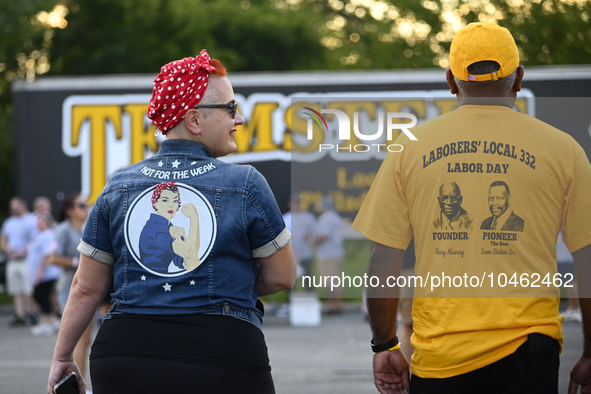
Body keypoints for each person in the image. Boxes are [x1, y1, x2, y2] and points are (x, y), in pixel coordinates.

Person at [353, 22, 591, 394]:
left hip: (441, 355)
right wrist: (590, 353)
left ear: (451, 80)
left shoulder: (411, 148)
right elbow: (588, 257)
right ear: (518, 79)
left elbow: (385, 255)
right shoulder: (563, 149)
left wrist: (385, 345)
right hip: (531, 350)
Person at [47, 50, 295, 394]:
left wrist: (61, 358)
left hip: (122, 355)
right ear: (194, 120)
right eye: (231, 109)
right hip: (223, 353)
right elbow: (283, 276)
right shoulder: (247, 183)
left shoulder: (117, 185)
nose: (239, 120)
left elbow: (86, 287)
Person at [47, 193, 93, 380]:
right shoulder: (63, 229)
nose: (86, 208)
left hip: (85, 288)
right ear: (69, 210)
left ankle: (77, 384)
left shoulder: (85, 228)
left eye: (87, 204)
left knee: (85, 340)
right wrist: (79, 262)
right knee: (77, 342)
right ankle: (74, 386)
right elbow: (52, 257)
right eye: (82, 205)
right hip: (70, 289)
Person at [1, 196, 38, 327]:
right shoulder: (9, 222)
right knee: (16, 289)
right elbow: (3, 239)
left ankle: (31, 313)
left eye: (14, 205)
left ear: (21, 205)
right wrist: (8, 249)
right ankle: (20, 314)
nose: (12, 208)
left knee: (27, 288)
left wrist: (24, 251)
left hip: (26, 260)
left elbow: (35, 240)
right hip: (12, 260)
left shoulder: (31, 220)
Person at [28, 212, 60, 336]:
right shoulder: (38, 235)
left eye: (42, 220)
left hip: (47, 273)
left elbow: (46, 255)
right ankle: (51, 319)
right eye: (38, 220)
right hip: (39, 273)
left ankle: (47, 320)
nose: (39, 222)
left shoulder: (48, 235)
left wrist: (39, 272)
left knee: (42, 296)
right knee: (40, 295)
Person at [314, 195, 344, 314]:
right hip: (336, 252)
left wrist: (313, 241)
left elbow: (323, 235)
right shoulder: (336, 217)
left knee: (329, 281)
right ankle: (336, 304)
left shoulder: (326, 218)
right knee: (335, 280)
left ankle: (333, 306)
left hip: (328, 254)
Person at [557, 230, 582, 323]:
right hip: (562, 256)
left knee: (571, 282)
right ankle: (572, 308)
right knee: (568, 282)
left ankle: (578, 309)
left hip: (566, 257)